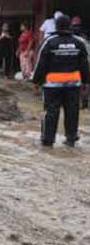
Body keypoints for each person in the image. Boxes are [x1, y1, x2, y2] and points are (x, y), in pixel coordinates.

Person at [32, 14, 90, 148]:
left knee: (50, 112)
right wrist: (86, 82)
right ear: (70, 26)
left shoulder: (49, 41)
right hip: (73, 85)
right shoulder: (79, 42)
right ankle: (71, 139)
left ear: (56, 26)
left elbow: (41, 63)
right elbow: (85, 64)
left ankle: (47, 140)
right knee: (72, 111)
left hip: (52, 86)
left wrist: (36, 82)